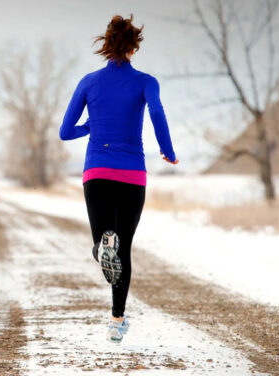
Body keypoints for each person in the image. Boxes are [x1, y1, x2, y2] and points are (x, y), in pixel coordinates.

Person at [59, 14, 179, 343]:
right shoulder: (146, 82)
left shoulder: (88, 82)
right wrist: (166, 150)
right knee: (123, 248)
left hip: (96, 172)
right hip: (131, 175)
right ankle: (116, 321)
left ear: (106, 45)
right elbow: (156, 112)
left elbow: (65, 131)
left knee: (105, 243)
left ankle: (100, 247)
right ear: (133, 46)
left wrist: (92, 127)